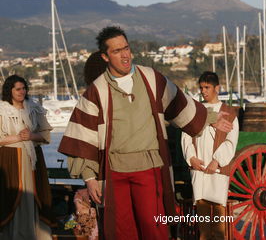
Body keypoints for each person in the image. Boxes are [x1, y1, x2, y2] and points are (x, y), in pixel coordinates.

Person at [58, 26, 233, 240]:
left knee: (154, 227)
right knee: (122, 230)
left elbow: (179, 104)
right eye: (116, 51)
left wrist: (210, 119)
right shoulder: (97, 90)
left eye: (126, 48)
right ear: (105, 56)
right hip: (114, 171)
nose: (125, 55)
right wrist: (90, 178)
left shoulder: (151, 78)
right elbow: (84, 136)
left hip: (148, 167)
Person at [181, 72, 239, 240]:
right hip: (199, 169)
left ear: (217, 88)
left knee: (219, 222)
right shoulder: (196, 111)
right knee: (203, 223)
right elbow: (186, 136)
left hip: (218, 170)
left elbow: (231, 141)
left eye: (207, 87)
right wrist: (191, 158)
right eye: (201, 88)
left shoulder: (229, 113)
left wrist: (217, 161)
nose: (203, 91)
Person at [0, 75, 53, 239]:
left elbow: (45, 136)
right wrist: (18, 138)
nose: (21, 92)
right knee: (13, 196)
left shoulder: (34, 108)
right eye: (18, 89)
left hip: (33, 159)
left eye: (24, 88)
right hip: (10, 158)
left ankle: (34, 233)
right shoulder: (2, 110)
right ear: (10, 90)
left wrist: (30, 135)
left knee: (33, 194)